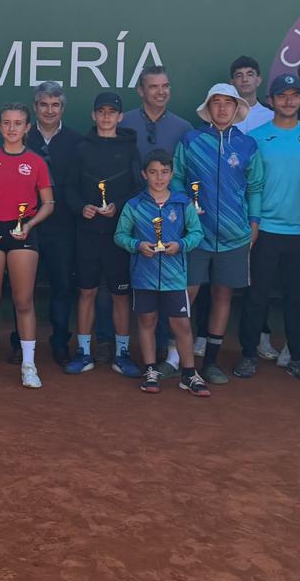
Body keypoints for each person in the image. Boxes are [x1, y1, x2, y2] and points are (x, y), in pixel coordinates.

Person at [234, 75, 300, 384]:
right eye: (281, 95)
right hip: (265, 230)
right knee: (256, 296)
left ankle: (297, 357)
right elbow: (250, 185)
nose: (288, 100)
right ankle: (247, 355)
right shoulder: (255, 138)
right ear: (270, 101)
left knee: (297, 299)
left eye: (294, 95)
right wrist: (253, 223)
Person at [176, 84, 262, 386]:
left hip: (234, 235)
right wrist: (183, 216)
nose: (223, 108)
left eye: (229, 103)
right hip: (196, 235)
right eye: (217, 103)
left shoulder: (248, 145)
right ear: (208, 108)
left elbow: (254, 188)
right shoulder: (191, 140)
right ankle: (178, 357)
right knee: (187, 294)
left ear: (237, 108)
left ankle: (210, 361)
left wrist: (253, 223)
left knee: (223, 294)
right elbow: (177, 180)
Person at [0, 103, 55, 388]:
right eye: (7, 122)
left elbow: (48, 203)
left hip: (23, 233)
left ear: (27, 127)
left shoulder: (37, 162)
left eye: (18, 123)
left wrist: (29, 225)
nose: (12, 128)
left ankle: (29, 365)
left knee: (23, 301)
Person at [61, 91, 141, 378]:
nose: (106, 117)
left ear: (120, 117)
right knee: (86, 292)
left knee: (121, 295)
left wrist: (118, 207)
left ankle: (122, 353)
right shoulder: (81, 148)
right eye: (101, 112)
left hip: (119, 234)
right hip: (87, 233)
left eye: (112, 112)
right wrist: (81, 207)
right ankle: (83, 352)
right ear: (94, 116)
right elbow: (68, 187)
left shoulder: (130, 148)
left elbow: (137, 188)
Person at [114, 149, 205, 395]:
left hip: (175, 278)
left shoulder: (183, 203)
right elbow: (120, 235)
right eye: (153, 172)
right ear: (144, 174)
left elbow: (197, 233)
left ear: (171, 174)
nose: (159, 177)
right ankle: (151, 370)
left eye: (164, 172)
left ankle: (189, 373)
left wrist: (182, 245)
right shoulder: (134, 205)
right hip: (144, 276)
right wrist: (137, 245)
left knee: (181, 325)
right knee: (147, 322)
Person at [21, 81, 82, 366]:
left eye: (55, 105)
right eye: (43, 104)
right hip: (25, 224)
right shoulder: (20, 136)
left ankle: (59, 342)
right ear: (35, 107)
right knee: (23, 289)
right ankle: (20, 343)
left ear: (62, 108)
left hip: (63, 227)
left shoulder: (75, 140)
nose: (49, 110)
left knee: (61, 286)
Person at [121, 64, 192, 163]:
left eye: (165, 86)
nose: (161, 92)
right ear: (141, 91)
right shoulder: (123, 123)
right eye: (153, 87)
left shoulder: (184, 129)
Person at [228, 55, 275, 134]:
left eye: (250, 74)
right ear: (232, 83)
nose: (244, 79)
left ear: (258, 80)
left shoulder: (272, 115)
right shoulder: (221, 114)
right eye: (239, 75)